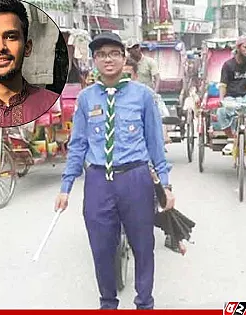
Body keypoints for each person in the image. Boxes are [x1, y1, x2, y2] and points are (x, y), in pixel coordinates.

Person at [54, 32, 175, 310]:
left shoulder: (143, 96)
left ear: (123, 58)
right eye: (101, 55)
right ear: (94, 60)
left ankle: (145, 302)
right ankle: (108, 303)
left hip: (135, 178)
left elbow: (155, 143)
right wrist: (66, 187)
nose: (107, 59)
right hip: (98, 180)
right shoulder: (86, 99)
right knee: (100, 248)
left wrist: (165, 185)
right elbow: (78, 145)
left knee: (143, 246)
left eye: (113, 53)